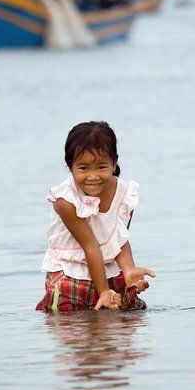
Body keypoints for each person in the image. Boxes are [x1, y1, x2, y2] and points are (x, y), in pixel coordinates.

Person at [36, 121, 155, 312]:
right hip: (70, 271)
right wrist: (104, 291)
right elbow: (90, 246)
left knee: (127, 319)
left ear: (114, 163)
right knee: (70, 319)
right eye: (83, 168)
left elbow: (119, 240)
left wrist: (129, 270)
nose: (93, 176)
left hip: (106, 268)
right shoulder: (65, 201)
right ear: (70, 166)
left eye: (101, 167)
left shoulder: (125, 195)